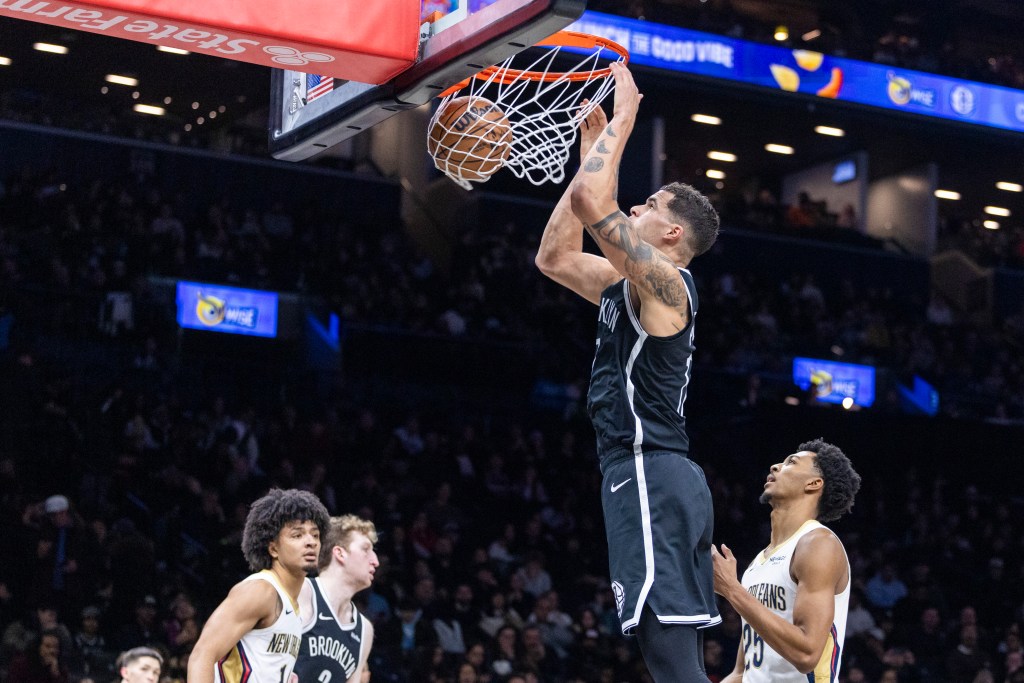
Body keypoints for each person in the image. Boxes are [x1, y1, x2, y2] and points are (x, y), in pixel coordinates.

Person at [535, 61, 721, 681]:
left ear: (670, 232)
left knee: (666, 655)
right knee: (671, 653)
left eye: (649, 204)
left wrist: (623, 120)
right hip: (656, 475)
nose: (634, 206)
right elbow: (555, 256)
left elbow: (597, 202)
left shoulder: (668, 285)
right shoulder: (624, 285)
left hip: (650, 469)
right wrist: (589, 155)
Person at [711, 439, 862, 682]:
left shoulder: (818, 544)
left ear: (814, 484)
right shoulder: (757, 564)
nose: (774, 466)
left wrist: (731, 589)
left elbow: (807, 655)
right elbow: (744, 672)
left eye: (791, 462)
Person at [187, 488, 330, 683]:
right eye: (297, 535)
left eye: (315, 535)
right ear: (273, 549)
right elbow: (202, 655)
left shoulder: (294, 609)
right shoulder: (261, 591)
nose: (310, 542)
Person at [294, 515, 379, 683]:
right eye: (365, 549)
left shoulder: (364, 629)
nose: (375, 561)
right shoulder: (301, 592)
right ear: (340, 553)